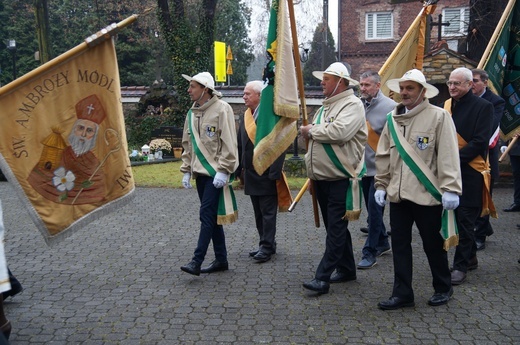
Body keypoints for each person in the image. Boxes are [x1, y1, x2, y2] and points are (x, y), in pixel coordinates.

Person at [374, 69, 462, 310]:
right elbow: (384, 154)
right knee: (400, 246)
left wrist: (451, 188)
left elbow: (447, 154)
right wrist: (381, 184)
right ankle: (402, 293)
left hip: (427, 195)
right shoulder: (392, 119)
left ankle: (443, 287)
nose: (404, 92)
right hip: (399, 195)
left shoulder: (439, 116)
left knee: (432, 245)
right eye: (402, 88)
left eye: (410, 88)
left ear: (423, 92)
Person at [299, 62, 367, 294]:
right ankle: (347, 269)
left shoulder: (353, 104)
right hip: (322, 178)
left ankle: (322, 277)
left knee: (336, 229)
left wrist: (310, 131)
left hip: (340, 177)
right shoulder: (324, 108)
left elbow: (340, 133)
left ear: (341, 82)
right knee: (334, 228)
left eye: (326, 79)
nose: (321, 82)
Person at [179, 72, 239, 276]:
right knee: (212, 218)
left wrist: (224, 170)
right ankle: (221, 260)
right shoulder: (191, 113)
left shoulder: (223, 109)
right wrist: (186, 170)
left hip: (216, 174)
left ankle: (196, 261)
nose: (189, 90)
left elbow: (229, 142)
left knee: (205, 215)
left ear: (205, 89)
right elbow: (187, 145)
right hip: (200, 175)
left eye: (193, 86)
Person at [445, 67, 494, 285]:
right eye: (450, 83)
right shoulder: (446, 106)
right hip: (448, 171)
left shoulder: (484, 107)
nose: (452, 87)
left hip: (470, 171)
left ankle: (460, 266)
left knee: (465, 220)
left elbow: (480, 142)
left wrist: (451, 159)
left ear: (469, 85)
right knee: (456, 218)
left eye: (457, 83)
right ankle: (471, 257)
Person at [238, 81, 290, 263]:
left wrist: (274, 172)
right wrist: (239, 169)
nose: (244, 97)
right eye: (244, 94)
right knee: (258, 213)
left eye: (247, 94)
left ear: (260, 96)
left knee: (268, 213)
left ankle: (267, 247)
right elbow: (240, 144)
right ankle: (265, 243)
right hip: (251, 174)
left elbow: (280, 145)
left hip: (266, 172)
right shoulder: (245, 116)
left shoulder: (270, 116)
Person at [28, 94, 107, 205]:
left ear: (94, 136)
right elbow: (37, 179)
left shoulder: (94, 162)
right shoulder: (58, 153)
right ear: (74, 130)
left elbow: (99, 190)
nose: (83, 134)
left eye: (89, 131)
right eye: (80, 128)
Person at [356, 71, 396, 269]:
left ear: (378, 85)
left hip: (382, 171)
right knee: (373, 210)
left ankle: (369, 252)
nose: (363, 88)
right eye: (361, 85)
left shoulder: (391, 107)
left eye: (367, 85)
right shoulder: (357, 106)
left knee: (374, 210)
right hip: (363, 169)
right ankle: (382, 242)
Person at [471, 69, 505, 250]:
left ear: (485, 82)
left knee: (484, 197)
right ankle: (481, 227)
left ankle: (480, 235)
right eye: (470, 81)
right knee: (470, 198)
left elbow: (490, 127)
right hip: (468, 155)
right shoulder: (465, 99)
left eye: (475, 81)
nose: (472, 84)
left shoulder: (496, 102)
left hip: (486, 158)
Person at [502, 135, 520, 212]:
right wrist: (504, 144)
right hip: (515, 148)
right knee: (517, 176)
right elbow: (507, 126)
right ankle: (517, 202)